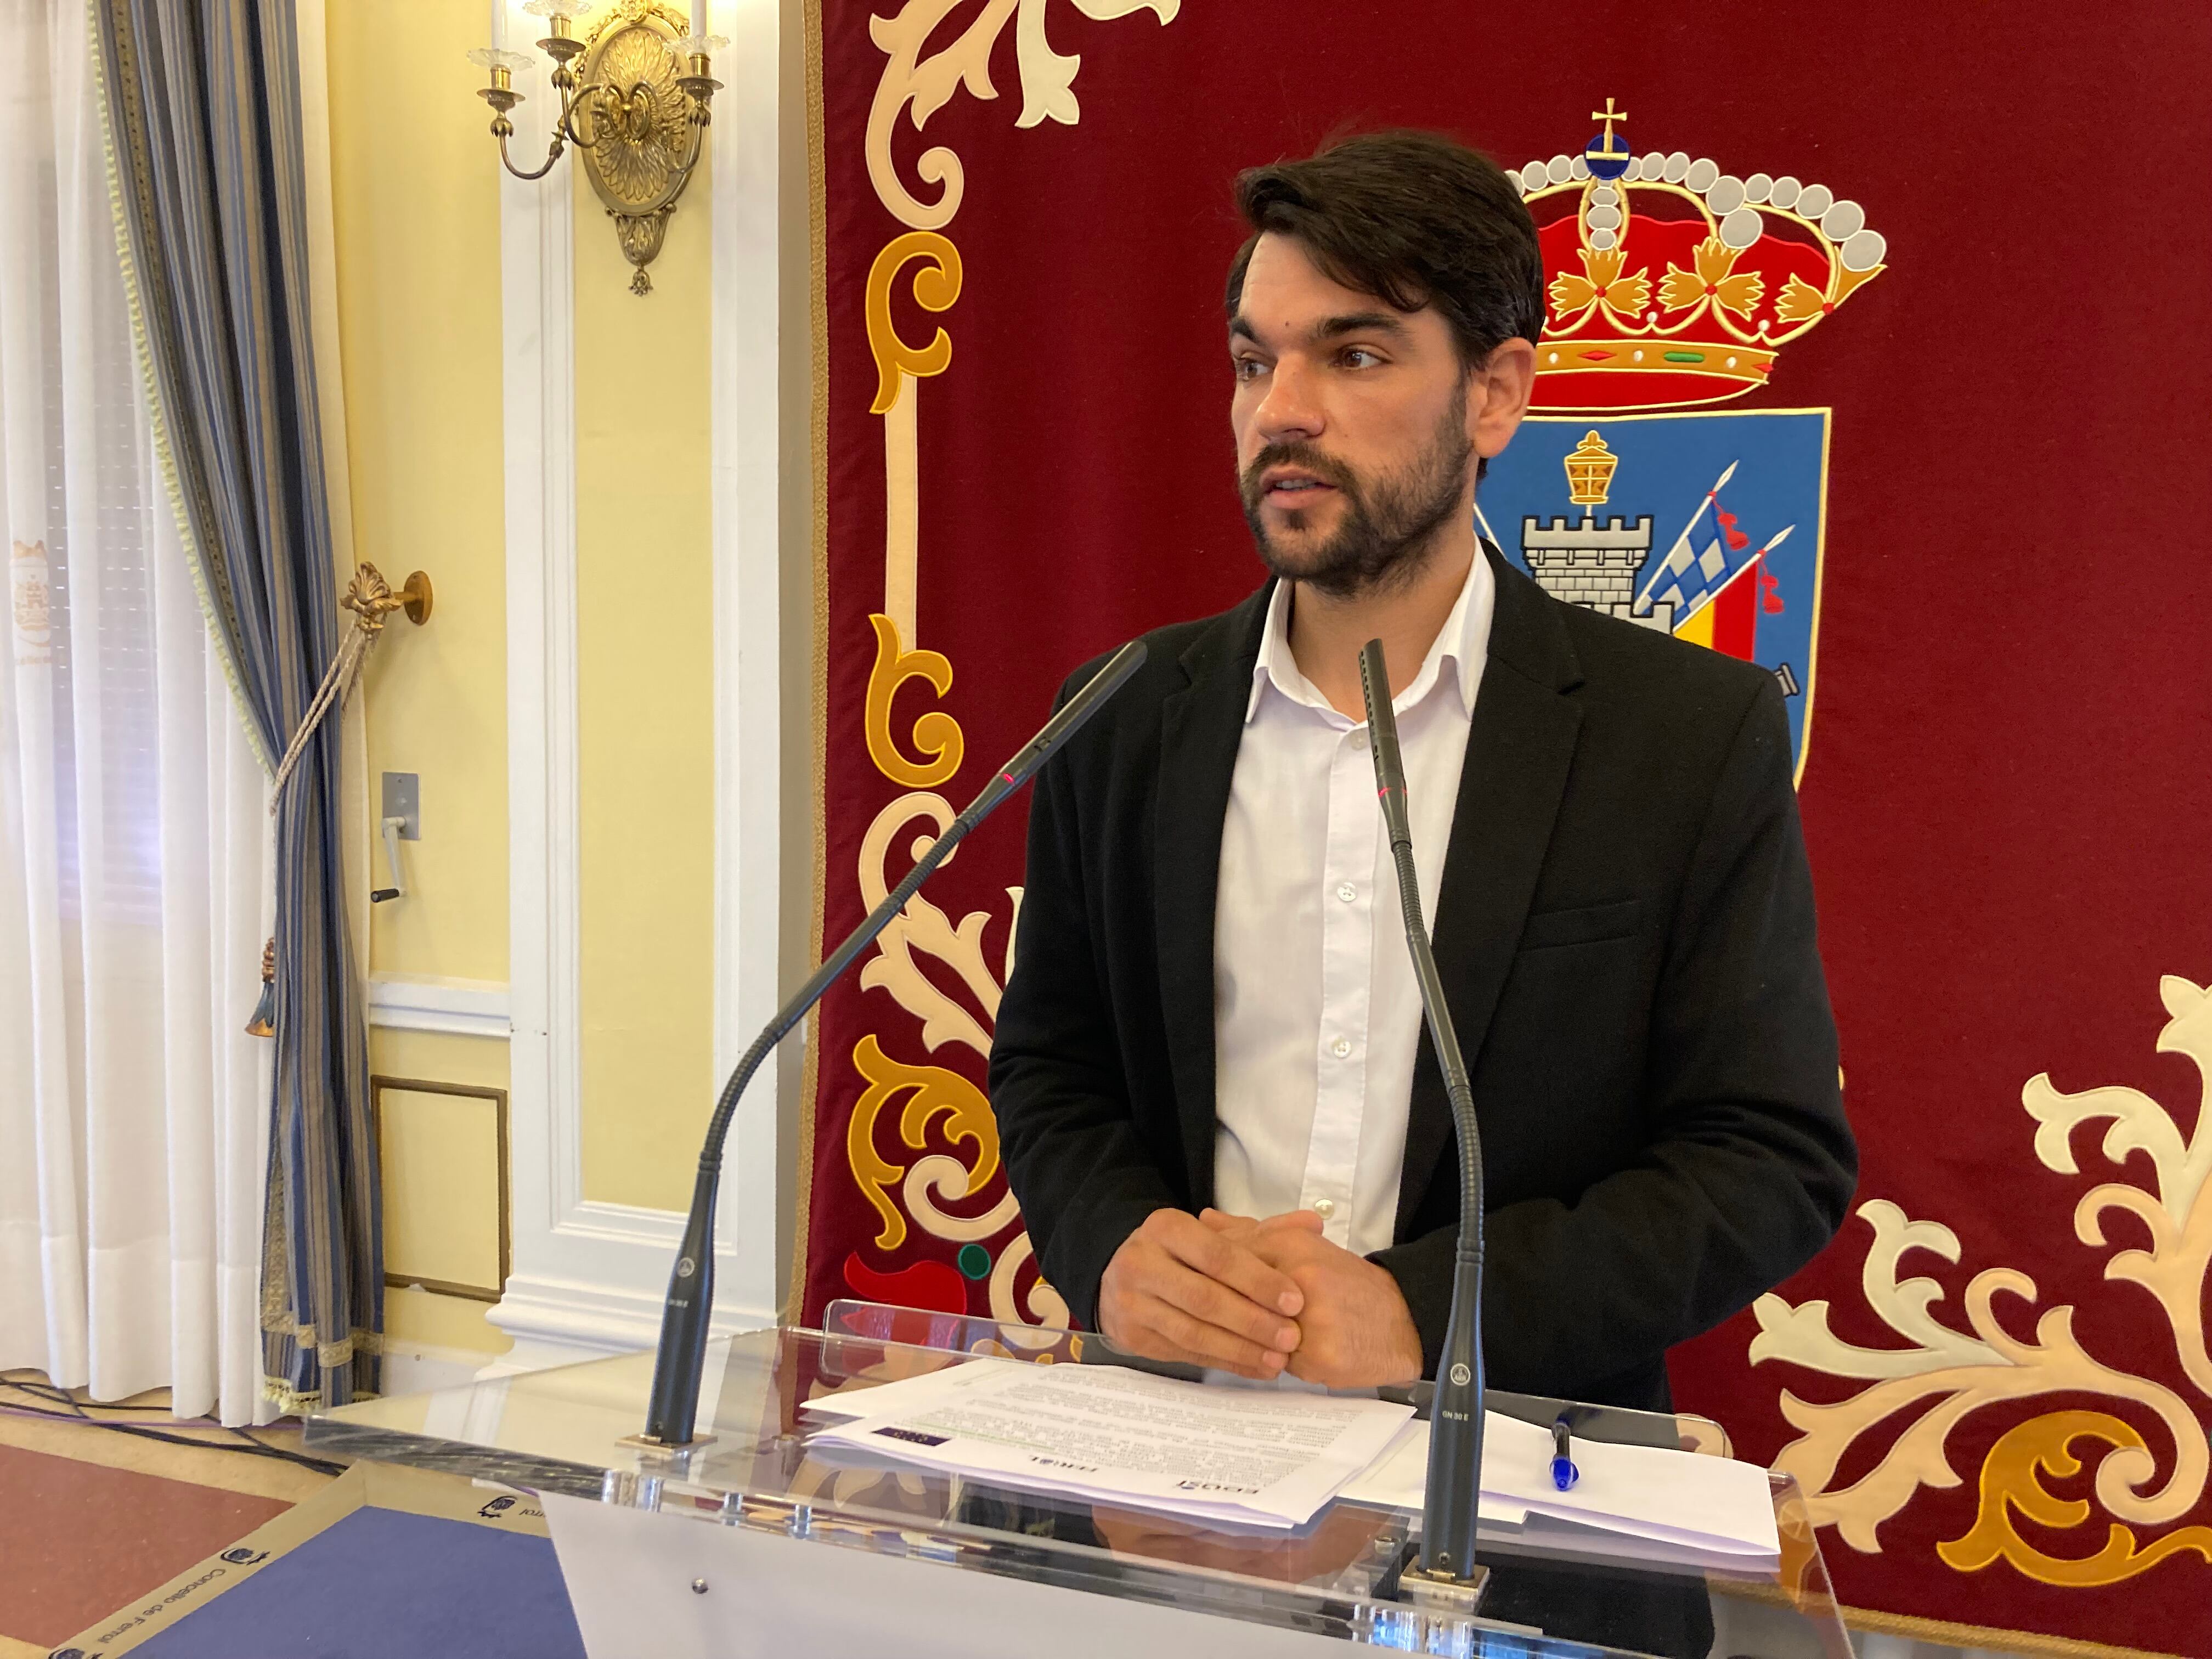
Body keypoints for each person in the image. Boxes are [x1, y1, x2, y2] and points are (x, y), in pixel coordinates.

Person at [988, 131, 1856, 1412]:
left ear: (1495, 394)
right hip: (1177, 1458)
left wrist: (1427, 1311)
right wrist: (1115, 1248)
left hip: (1511, 1464)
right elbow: (1054, 1069)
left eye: (1354, 354)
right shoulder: (1120, 716)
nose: (1280, 409)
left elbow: (1768, 1158)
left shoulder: (1683, 733)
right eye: (1252, 361)